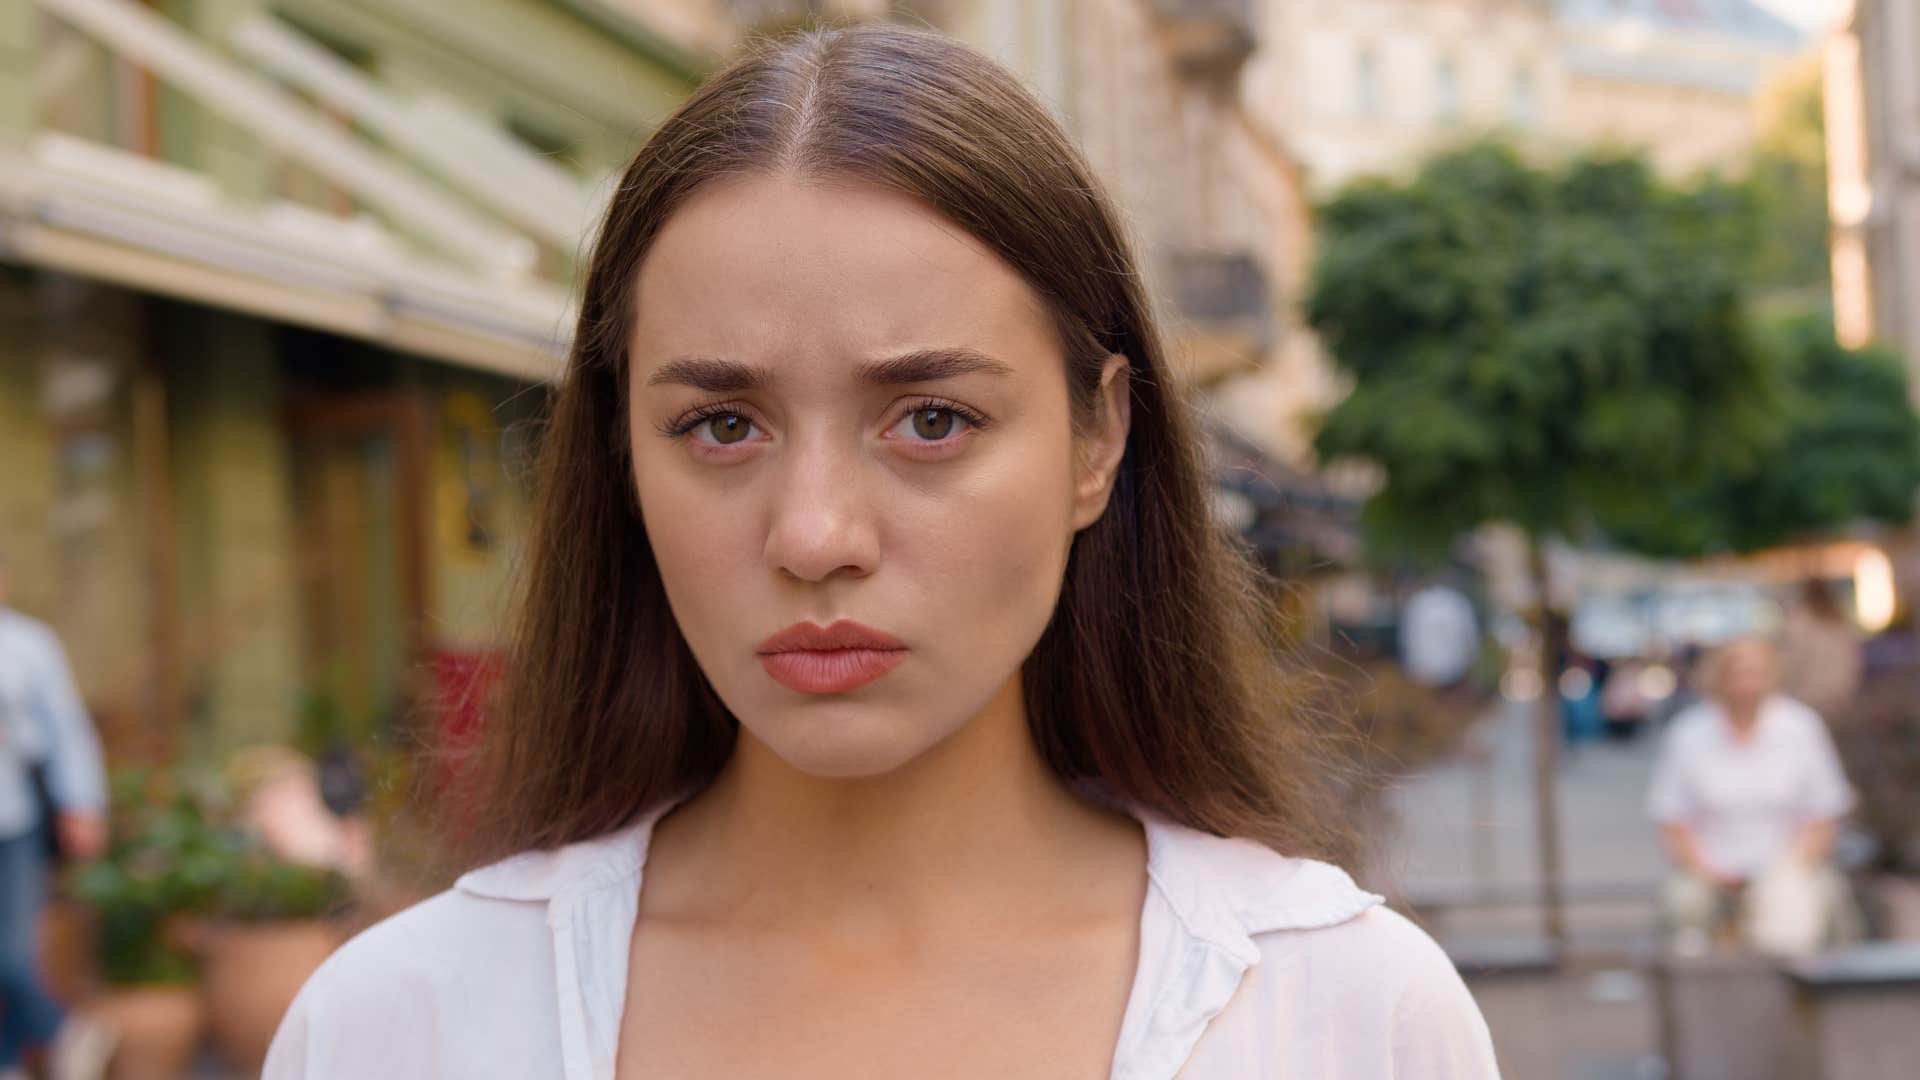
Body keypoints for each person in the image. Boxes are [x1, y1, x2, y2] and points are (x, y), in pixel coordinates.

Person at [265, 25, 1497, 1079]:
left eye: (932, 420)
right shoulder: (402, 1029)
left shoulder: (1343, 1019)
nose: (813, 536)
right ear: (621, 460)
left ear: (1097, 440)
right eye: (722, 425)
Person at [1647, 636, 1858, 956]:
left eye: (1755, 672)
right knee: (1684, 910)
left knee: (1803, 908)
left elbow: (1824, 815)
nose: (1746, 684)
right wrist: (1710, 871)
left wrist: (1789, 867)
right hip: (1711, 867)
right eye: (1737, 673)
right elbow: (1673, 821)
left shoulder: (1800, 728)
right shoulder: (1688, 734)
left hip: (1787, 863)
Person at [0, 547, 113, 1079]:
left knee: (13, 957)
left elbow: (66, 731)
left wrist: (82, 805)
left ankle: (62, 1031)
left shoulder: (28, 644)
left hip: (14, 826)